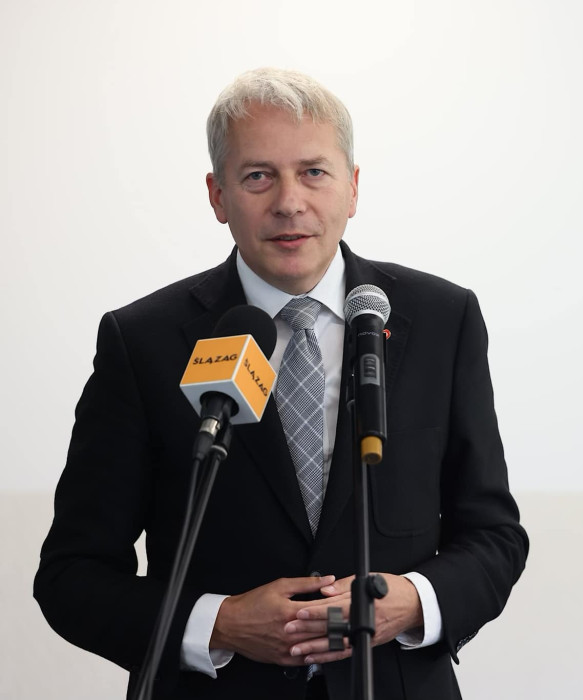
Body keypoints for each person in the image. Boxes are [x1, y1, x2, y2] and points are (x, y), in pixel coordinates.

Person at [34, 67, 528, 699]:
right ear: (217, 196)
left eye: (314, 172)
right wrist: (220, 624)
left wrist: (412, 601)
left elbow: (494, 536)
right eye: (258, 176)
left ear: (353, 187)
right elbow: (72, 576)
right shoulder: (143, 342)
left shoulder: (441, 320)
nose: (289, 202)